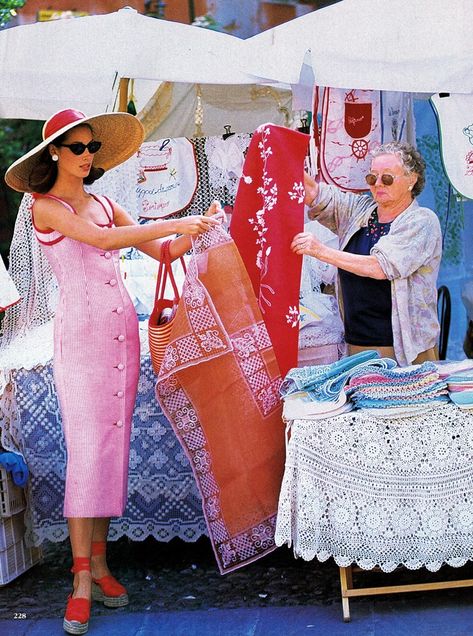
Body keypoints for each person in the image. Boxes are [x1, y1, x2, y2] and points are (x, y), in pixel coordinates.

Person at [4, 108, 221, 635]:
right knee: (85, 451)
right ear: (53, 152)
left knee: (111, 448)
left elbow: (163, 250)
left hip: (123, 328)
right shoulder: (46, 207)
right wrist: (176, 221)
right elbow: (101, 242)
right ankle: (80, 579)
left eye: (91, 148)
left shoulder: (104, 200)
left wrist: (205, 225)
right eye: (76, 148)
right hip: (80, 336)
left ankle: (100, 565)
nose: (85, 157)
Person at [291, 141, 442, 367]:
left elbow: (380, 267)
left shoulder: (422, 221)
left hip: (404, 349)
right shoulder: (361, 210)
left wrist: (320, 251)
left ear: (412, 180)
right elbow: (316, 194)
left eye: (387, 178)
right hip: (358, 343)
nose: (377, 184)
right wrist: (284, 157)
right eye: (372, 178)